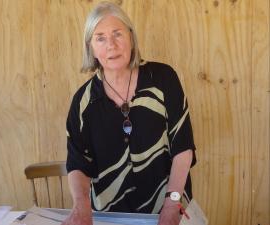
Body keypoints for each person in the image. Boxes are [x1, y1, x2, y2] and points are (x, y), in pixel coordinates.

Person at [62, 2, 196, 225]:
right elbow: (78, 164)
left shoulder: (163, 79)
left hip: (168, 209)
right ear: (91, 48)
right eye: (100, 38)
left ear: (131, 38)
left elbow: (183, 148)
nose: (111, 45)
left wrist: (172, 205)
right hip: (109, 216)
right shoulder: (83, 102)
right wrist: (81, 206)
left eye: (117, 34)